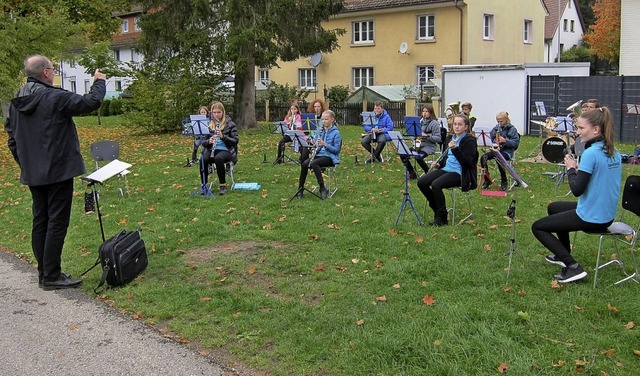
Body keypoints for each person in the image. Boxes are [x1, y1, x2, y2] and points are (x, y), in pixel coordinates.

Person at [5, 55, 106, 290]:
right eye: (53, 69)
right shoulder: (54, 97)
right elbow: (90, 102)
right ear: (46, 73)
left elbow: (12, 138)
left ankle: (45, 272)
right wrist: (99, 81)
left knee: (41, 219)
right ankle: (51, 275)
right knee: (56, 222)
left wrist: (25, 163)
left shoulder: (17, 101)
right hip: (58, 170)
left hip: (34, 171)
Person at [531, 107, 621, 283]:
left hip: (592, 216)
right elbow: (598, 178)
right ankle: (562, 253)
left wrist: (571, 168)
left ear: (595, 129)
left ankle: (573, 267)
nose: (577, 132)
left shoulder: (591, 153)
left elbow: (577, 190)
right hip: (606, 214)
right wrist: (581, 170)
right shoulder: (613, 151)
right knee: (554, 208)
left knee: (538, 227)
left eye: (580, 128)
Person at [417, 114, 478, 226]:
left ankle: (442, 216)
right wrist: (439, 164)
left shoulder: (470, 141)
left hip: (460, 173)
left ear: (466, 127)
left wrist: (456, 149)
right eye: (455, 124)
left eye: (460, 124)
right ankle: (436, 209)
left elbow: (467, 163)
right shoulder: (450, 138)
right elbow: (446, 157)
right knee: (422, 182)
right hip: (446, 169)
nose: (457, 127)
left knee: (436, 185)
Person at [296, 110, 341, 200]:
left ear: (332, 120)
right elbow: (316, 144)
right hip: (319, 154)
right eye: (322, 119)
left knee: (314, 163)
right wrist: (313, 144)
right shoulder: (320, 130)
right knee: (304, 163)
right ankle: (300, 189)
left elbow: (336, 150)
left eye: (326, 119)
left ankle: (322, 188)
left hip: (330, 157)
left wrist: (325, 145)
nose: (324, 121)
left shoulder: (336, 133)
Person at [201, 101, 238, 195]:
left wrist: (223, 137)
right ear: (212, 113)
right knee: (203, 159)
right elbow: (203, 142)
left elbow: (235, 141)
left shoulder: (230, 124)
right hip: (212, 149)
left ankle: (223, 186)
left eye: (218, 112)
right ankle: (204, 185)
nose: (216, 115)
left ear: (223, 112)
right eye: (214, 113)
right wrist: (209, 141)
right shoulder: (209, 124)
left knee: (218, 158)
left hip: (227, 150)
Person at [480, 111, 520, 191]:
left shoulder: (512, 129)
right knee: (483, 157)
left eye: (501, 121)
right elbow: (490, 138)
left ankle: (504, 181)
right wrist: (491, 140)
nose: (499, 123)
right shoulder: (496, 128)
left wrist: (505, 141)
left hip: (507, 152)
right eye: (497, 121)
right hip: (496, 150)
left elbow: (515, 144)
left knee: (499, 158)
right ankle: (487, 179)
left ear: (506, 120)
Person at [401, 104, 441, 179]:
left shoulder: (434, 123)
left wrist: (426, 136)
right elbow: (412, 134)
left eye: (427, 111)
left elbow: (438, 138)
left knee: (418, 157)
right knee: (403, 154)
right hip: (418, 145)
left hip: (429, 146)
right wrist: (414, 138)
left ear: (431, 113)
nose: (424, 113)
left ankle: (428, 173)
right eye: (423, 111)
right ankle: (412, 172)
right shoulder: (419, 122)